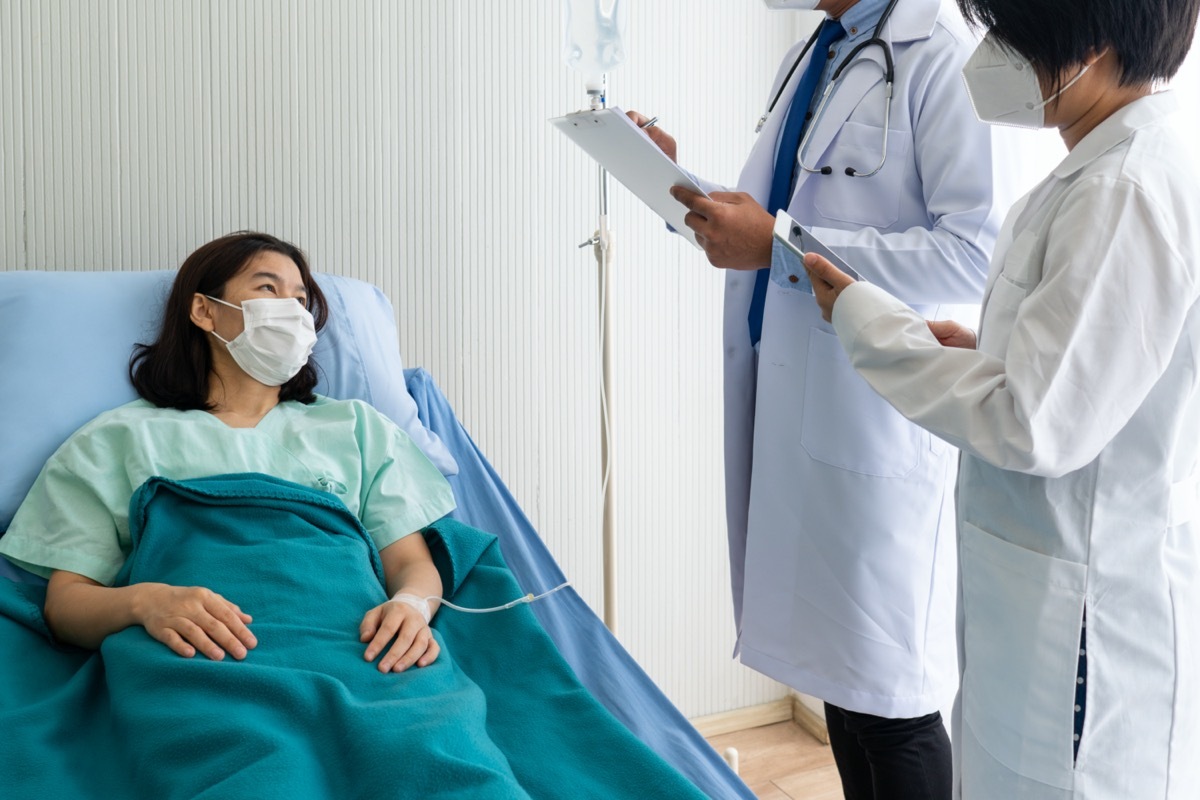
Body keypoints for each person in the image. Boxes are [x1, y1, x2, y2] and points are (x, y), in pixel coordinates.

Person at [802, 0, 1200, 795]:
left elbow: (1035, 420)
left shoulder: (1124, 187)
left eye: (1012, 35)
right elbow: (1088, 369)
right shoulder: (1094, 169)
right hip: (1037, 590)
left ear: (1089, 44)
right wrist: (990, 351)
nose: (991, 54)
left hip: (1086, 623)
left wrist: (870, 321)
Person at [630, 0, 1019, 795]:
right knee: (843, 684)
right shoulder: (823, 48)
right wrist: (684, 190)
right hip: (800, 393)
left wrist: (777, 244)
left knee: (890, 700)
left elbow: (973, 253)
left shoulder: (940, 52)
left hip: (874, 409)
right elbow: (784, 212)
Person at [0, 231, 456, 675]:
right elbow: (65, 604)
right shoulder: (117, 439)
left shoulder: (358, 428)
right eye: (267, 288)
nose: (292, 312)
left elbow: (410, 563)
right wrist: (145, 602)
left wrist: (412, 605)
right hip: (199, 662)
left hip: (356, 649)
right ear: (204, 310)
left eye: (299, 300)